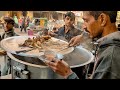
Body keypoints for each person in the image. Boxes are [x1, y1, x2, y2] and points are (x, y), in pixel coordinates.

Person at [45, 11, 120, 79]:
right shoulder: (108, 44)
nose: (83, 26)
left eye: (86, 21)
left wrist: (67, 73)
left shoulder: (111, 57)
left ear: (102, 19)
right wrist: (83, 36)